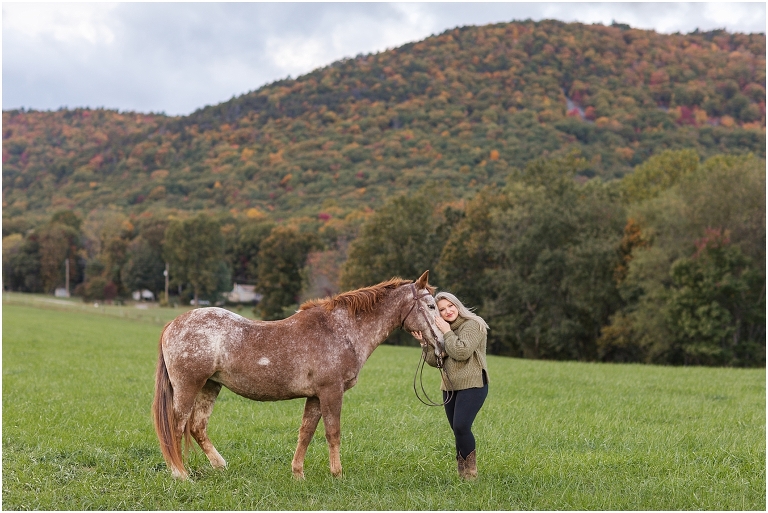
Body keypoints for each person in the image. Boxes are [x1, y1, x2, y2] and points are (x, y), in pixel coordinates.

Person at [412, 291, 489, 480]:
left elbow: (461, 351)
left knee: (462, 426)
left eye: (450, 306)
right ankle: (462, 473)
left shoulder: (473, 324)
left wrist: (446, 332)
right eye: (441, 309)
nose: (447, 311)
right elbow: (433, 360)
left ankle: (471, 474)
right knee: (457, 430)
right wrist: (424, 344)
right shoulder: (441, 329)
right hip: (449, 387)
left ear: (457, 305)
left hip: (473, 384)